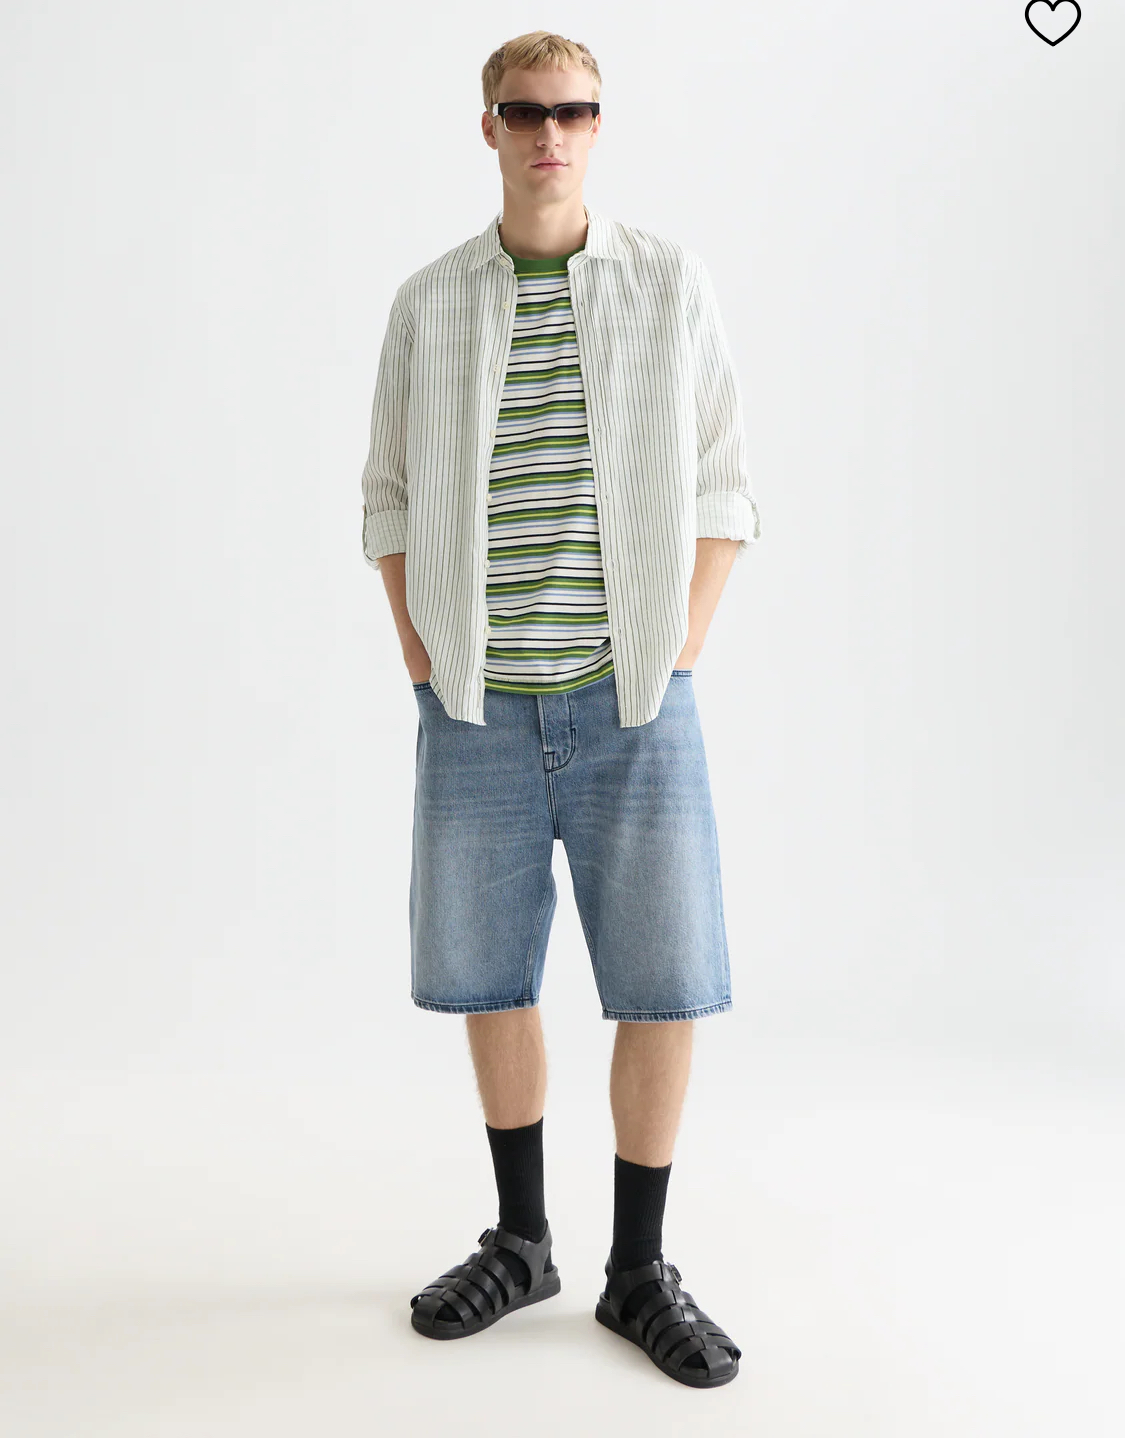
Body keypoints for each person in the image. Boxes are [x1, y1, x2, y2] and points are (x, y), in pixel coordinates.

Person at [360, 29, 760, 1389]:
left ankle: (639, 1269)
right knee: (491, 972)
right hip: (477, 702)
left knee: (662, 978)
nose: (550, 133)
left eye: (574, 111)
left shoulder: (666, 284)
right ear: (488, 126)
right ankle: (521, 1240)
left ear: (598, 125)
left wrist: (678, 646)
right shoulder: (429, 305)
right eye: (526, 112)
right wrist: (423, 656)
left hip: (635, 697)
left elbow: (722, 480)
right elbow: (387, 494)